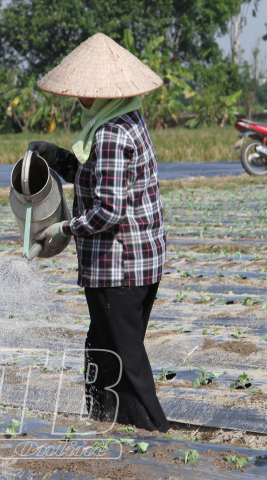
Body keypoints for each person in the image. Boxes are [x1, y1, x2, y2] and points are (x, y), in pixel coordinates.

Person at [29, 33, 170, 432]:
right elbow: (94, 178)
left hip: (119, 267)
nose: (80, 100)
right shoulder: (125, 120)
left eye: (85, 94)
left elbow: (108, 211)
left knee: (126, 358)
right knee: (103, 350)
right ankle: (107, 422)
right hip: (139, 261)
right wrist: (56, 157)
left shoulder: (109, 135)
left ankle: (156, 434)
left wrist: (62, 227)